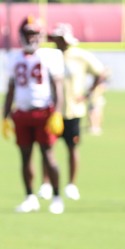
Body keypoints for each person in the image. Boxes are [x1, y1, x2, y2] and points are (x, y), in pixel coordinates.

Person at [2, 16, 65, 214]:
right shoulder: (13, 58)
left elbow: (58, 88)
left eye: (34, 33)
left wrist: (58, 113)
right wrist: (4, 116)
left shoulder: (50, 56)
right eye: (28, 33)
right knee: (25, 157)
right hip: (21, 113)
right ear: (21, 35)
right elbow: (10, 89)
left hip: (44, 111)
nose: (31, 38)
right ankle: (30, 197)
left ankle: (57, 196)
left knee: (48, 156)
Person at [47, 23, 108, 200]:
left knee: (72, 147)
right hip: (53, 110)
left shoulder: (79, 56)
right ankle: (46, 184)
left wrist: (87, 94)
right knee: (48, 148)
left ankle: (71, 185)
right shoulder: (50, 56)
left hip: (73, 110)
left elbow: (100, 73)